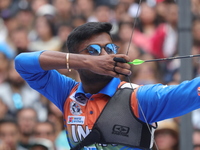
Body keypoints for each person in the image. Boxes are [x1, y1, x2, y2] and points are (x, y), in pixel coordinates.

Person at [15, 22, 200, 150]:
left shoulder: (138, 98)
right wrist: (87, 62)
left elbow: (192, 91)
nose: (106, 55)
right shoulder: (66, 93)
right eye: (94, 50)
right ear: (78, 58)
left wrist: (89, 58)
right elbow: (22, 63)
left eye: (110, 49)